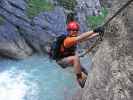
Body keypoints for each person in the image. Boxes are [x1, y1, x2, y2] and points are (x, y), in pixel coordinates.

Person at [54, 21, 104, 88]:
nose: (74, 31)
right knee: (76, 58)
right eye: (72, 30)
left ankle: (87, 82)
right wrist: (94, 30)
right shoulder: (67, 40)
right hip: (61, 60)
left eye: (76, 30)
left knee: (83, 69)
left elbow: (84, 38)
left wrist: (97, 34)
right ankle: (80, 79)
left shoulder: (72, 38)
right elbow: (80, 38)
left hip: (67, 58)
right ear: (68, 31)